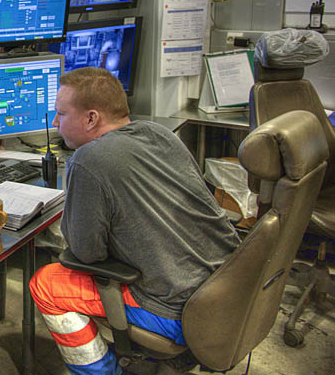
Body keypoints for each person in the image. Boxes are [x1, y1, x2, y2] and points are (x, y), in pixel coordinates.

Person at [29, 67, 240, 375]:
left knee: (47, 283)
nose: (55, 123)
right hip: (229, 287)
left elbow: (86, 254)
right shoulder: (159, 134)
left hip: (179, 312)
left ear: (91, 118)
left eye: (61, 114)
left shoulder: (89, 160)